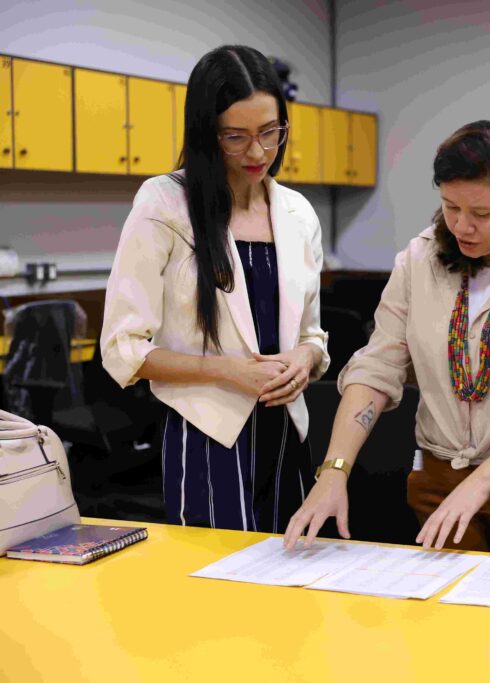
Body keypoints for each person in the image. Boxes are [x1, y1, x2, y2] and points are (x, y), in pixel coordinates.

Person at [284, 120, 490, 559]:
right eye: (449, 207)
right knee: (448, 622)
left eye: (482, 214)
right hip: (441, 483)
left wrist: (482, 481)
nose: (462, 226)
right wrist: (335, 469)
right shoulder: (421, 258)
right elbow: (377, 366)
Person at [100, 45, 330, 532]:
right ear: (207, 133)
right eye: (236, 137)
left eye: (270, 133)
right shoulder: (165, 203)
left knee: (291, 585)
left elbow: (313, 336)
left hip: (287, 430)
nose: (258, 153)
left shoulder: (298, 213)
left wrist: (305, 360)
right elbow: (124, 349)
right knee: (219, 589)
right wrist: (227, 371)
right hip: (209, 434)